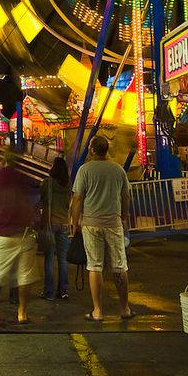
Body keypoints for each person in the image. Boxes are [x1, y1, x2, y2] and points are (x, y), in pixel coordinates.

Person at [70, 132, 134, 321]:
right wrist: (123, 215)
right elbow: (126, 196)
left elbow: (77, 198)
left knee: (95, 266)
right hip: (113, 223)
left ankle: (97, 311)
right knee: (119, 266)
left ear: (91, 150)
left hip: (91, 223)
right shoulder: (118, 170)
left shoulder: (85, 170)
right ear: (107, 150)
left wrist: (75, 223)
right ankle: (124, 308)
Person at [0, 149, 39, 326]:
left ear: (2, 160)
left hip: (3, 235)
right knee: (24, 276)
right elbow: (29, 206)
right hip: (24, 234)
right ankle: (22, 313)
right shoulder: (23, 179)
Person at [39, 156, 72, 300]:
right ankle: (63, 290)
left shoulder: (47, 183)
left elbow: (41, 199)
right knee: (63, 259)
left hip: (50, 223)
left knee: (49, 259)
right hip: (65, 222)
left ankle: (49, 292)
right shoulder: (68, 184)